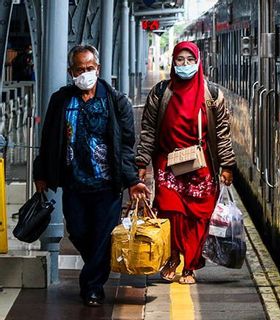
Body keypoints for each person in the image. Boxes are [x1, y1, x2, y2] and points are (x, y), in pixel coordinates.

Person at [33, 45, 148, 306]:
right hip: (74, 181)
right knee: (79, 231)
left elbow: (125, 145)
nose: (85, 73)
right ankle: (98, 264)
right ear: (70, 71)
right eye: (79, 69)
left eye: (89, 68)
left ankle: (92, 287)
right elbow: (48, 140)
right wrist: (41, 173)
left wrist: (133, 181)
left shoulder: (116, 100)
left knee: (103, 234)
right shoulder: (62, 100)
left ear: (98, 68)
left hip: (108, 184)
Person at [136, 41, 235, 285]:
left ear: (199, 62)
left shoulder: (211, 94)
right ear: (172, 63)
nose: (185, 65)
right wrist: (141, 161)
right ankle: (172, 257)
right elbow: (148, 129)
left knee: (199, 217)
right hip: (168, 164)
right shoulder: (161, 92)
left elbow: (222, 132)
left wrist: (227, 165)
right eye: (180, 60)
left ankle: (190, 265)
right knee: (170, 211)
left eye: (190, 60)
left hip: (201, 166)